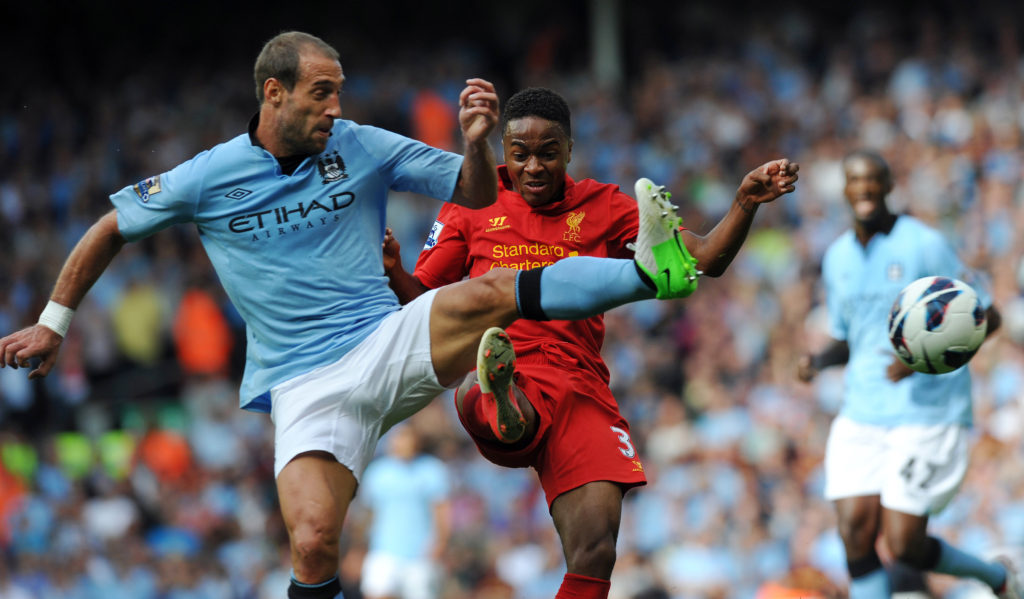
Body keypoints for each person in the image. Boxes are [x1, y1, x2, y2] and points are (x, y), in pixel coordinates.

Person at [0, 32, 717, 599]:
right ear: (273, 93)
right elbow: (109, 227)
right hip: (302, 383)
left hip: (385, 339)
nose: (336, 107)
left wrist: (473, 141)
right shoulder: (206, 176)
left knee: (488, 291)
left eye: (339, 92)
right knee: (311, 542)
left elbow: (471, 194)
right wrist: (54, 322)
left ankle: (647, 274)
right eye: (322, 93)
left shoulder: (360, 146)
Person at [382, 87, 800, 599]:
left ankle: (506, 400)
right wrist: (393, 270)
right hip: (505, 358)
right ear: (504, 153)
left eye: (547, 153)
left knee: (596, 551)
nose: (533, 167)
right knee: (487, 379)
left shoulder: (603, 204)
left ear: (570, 150)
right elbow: (422, 300)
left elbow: (703, 260)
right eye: (519, 155)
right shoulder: (470, 206)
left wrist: (743, 202)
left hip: (580, 383)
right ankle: (507, 398)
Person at [796, 149, 1020, 599]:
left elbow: (986, 316)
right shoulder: (837, 257)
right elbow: (852, 338)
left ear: (889, 185)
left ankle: (997, 578)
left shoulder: (923, 243)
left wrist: (917, 359)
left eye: (873, 179)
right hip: (862, 410)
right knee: (854, 531)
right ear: (844, 189)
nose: (865, 189)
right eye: (855, 180)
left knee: (903, 544)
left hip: (926, 413)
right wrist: (818, 362)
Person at [358, 424, 451, 599]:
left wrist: (440, 545)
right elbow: (368, 513)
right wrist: (360, 547)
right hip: (383, 549)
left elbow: (442, 512)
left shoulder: (432, 470)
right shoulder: (377, 472)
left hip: (420, 554)